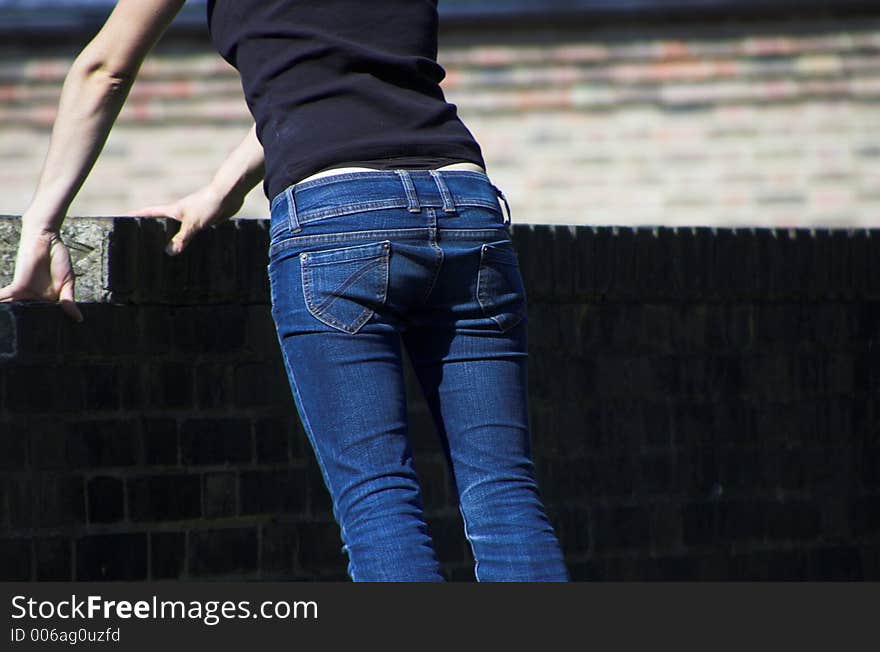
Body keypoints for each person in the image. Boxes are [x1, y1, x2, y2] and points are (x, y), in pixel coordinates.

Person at [0, 0, 569, 582]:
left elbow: (105, 68)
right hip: (465, 199)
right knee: (505, 497)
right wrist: (223, 187)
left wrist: (42, 225)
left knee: (379, 505)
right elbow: (344, 74)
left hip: (337, 218)